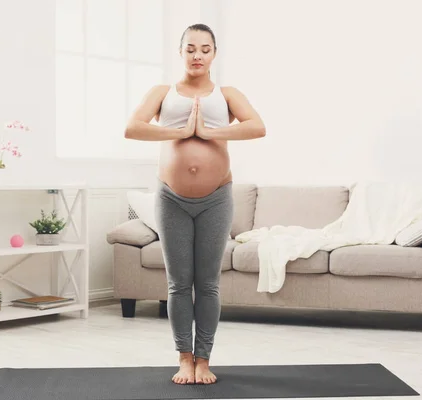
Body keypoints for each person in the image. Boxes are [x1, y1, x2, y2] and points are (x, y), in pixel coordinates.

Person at [124, 23, 266, 385]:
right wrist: (180, 132)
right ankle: (184, 358)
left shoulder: (227, 94)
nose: (197, 55)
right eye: (190, 48)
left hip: (216, 198)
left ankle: (204, 359)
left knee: (208, 284)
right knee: (177, 283)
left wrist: (211, 133)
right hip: (171, 198)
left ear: (214, 54)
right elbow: (133, 127)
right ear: (181, 52)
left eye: (204, 49)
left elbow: (257, 126)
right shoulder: (163, 92)